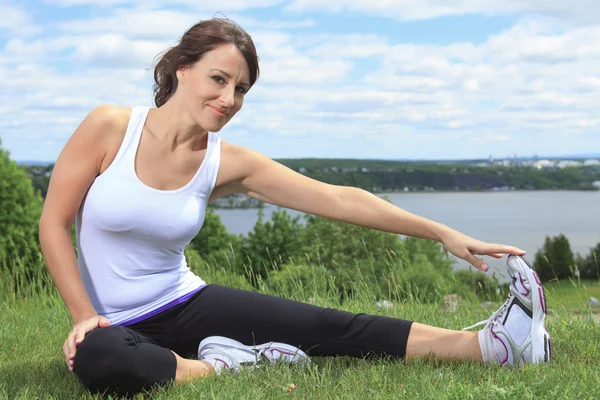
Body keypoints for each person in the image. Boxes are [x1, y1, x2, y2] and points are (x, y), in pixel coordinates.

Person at [38, 18, 551, 397]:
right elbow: (54, 224)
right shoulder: (110, 128)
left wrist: (441, 232)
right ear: (182, 69)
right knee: (99, 358)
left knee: (330, 326)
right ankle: (227, 367)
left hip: (186, 301)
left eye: (241, 89)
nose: (229, 99)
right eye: (219, 79)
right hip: (113, 323)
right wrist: (85, 317)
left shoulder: (226, 161)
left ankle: (492, 346)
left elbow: (337, 199)